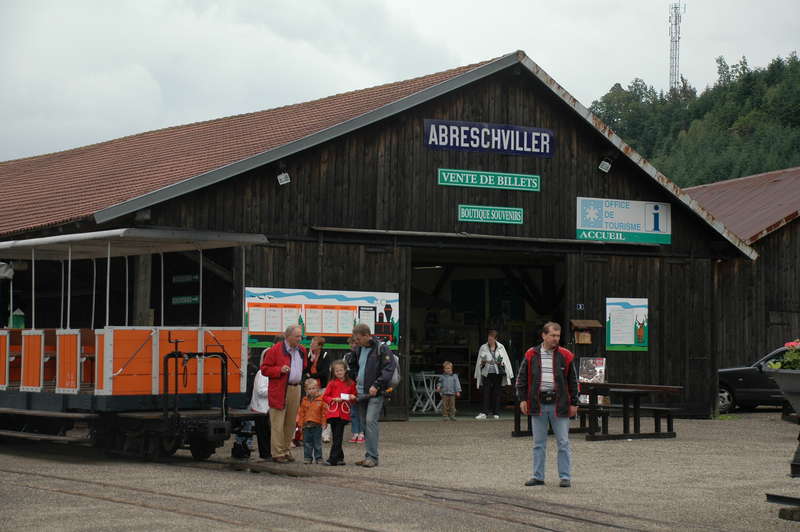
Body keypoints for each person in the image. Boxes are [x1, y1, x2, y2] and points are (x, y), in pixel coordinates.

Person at [515, 322, 578, 488]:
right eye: (553, 336)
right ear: (543, 335)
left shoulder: (566, 355)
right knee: (538, 443)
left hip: (560, 404)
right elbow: (521, 378)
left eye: (558, 336)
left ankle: (565, 477)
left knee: (563, 442)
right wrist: (522, 399)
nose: (556, 339)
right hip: (538, 403)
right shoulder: (531, 354)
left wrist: (575, 403)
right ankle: (538, 476)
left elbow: (573, 381)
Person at [349, 323, 396, 467]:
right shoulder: (358, 349)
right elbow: (354, 365)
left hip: (376, 393)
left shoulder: (382, 349)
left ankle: (373, 457)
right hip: (361, 391)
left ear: (366, 335)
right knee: (364, 423)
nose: (356, 343)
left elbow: (389, 368)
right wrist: (355, 376)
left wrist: (377, 384)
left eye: (358, 339)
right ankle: (369, 455)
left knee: (370, 421)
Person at [261, 324, 307, 463]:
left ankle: (286, 450)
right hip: (280, 388)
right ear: (288, 336)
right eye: (297, 336)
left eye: (301, 336)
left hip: (295, 388)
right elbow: (264, 369)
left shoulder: (302, 351)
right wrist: (279, 370)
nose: (300, 339)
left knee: (291, 423)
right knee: (278, 422)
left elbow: (304, 367)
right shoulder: (275, 350)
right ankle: (277, 453)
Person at [322, 359, 357, 466]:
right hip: (333, 413)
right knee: (337, 436)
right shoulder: (331, 383)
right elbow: (325, 396)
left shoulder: (351, 383)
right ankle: (339, 458)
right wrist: (333, 399)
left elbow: (354, 397)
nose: (339, 373)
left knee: (338, 436)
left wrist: (352, 397)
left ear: (345, 370)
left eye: (341, 370)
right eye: (336, 371)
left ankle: (333, 459)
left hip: (343, 413)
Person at [474, 329, 514, 419]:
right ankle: (484, 412)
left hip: (497, 372)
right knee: (486, 392)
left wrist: (500, 362)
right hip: (487, 372)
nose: (490, 340)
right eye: (489, 338)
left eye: (491, 339)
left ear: (495, 339)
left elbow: (505, 360)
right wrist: (483, 362)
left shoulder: (501, 347)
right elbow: (479, 361)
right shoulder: (483, 347)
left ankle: (496, 413)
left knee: (497, 392)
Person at [296, 378, 326, 464]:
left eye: (313, 388)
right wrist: (300, 424)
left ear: (317, 388)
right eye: (309, 389)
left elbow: (324, 412)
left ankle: (318, 458)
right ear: (306, 390)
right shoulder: (304, 400)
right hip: (306, 425)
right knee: (307, 443)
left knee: (317, 443)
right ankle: (307, 458)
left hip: (317, 424)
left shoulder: (321, 399)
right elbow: (301, 413)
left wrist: (324, 422)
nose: (312, 390)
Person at [345, 336, 365, 443]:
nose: (353, 346)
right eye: (351, 344)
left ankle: (362, 432)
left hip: (361, 385)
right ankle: (355, 432)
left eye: (355, 343)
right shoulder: (347, 356)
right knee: (353, 411)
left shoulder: (363, 355)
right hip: (351, 385)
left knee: (361, 410)